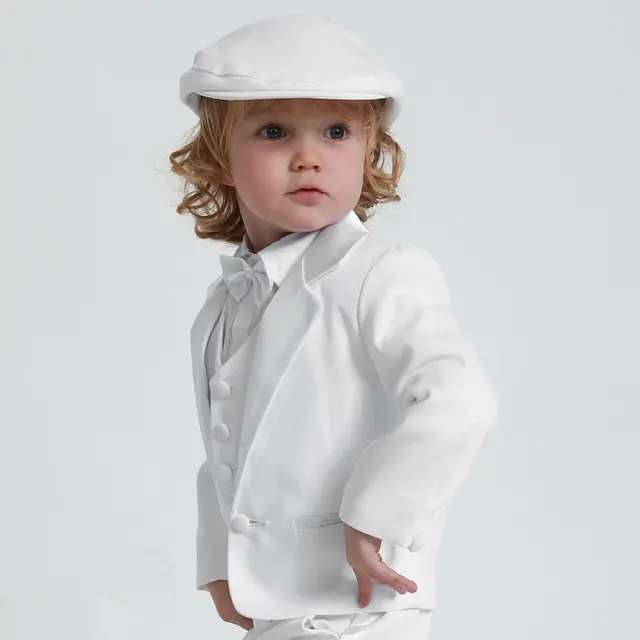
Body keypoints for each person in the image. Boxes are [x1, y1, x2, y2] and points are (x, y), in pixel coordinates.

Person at [170, 11, 498, 640]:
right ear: (217, 157)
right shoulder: (223, 303)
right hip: (276, 605)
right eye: (273, 131)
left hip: (362, 605)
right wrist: (219, 563)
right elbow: (227, 449)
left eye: (337, 132)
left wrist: (379, 514)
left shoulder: (384, 273)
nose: (308, 158)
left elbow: (459, 401)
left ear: (369, 149)